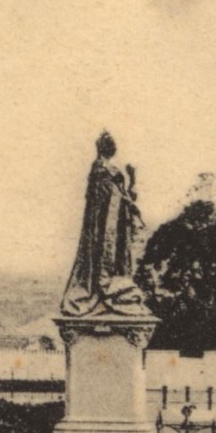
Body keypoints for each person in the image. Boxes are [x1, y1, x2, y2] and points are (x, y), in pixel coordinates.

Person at [61, 130, 149, 317]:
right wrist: (129, 191)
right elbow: (114, 199)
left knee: (116, 259)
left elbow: (125, 197)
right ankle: (105, 291)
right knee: (104, 259)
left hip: (115, 227)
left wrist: (132, 180)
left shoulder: (109, 171)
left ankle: (115, 289)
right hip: (105, 229)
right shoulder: (101, 170)